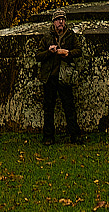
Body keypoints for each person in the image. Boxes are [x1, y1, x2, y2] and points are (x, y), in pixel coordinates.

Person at [38, 9, 83, 146]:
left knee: (69, 107)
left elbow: (79, 51)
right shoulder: (47, 37)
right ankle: (48, 137)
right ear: (54, 22)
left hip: (64, 77)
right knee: (48, 108)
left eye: (62, 19)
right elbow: (38, 56)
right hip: (50, 77)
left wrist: (68, 53)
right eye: (58, 20)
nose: (61, 22)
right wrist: (49, 52)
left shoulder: (70, 35)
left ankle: (75, 135)